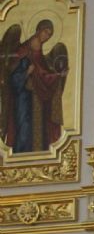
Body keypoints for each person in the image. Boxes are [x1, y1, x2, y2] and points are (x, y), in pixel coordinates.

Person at [1, 19, 68, 153]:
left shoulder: (38, 52)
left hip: (36, 99)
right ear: (38, 30)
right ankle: (20, 157)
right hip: (22, 98)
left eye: (49, 34)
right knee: (24, 128)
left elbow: (42, 73)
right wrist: (26, 73)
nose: (47, 36)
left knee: (38, 129)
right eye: (45, 32)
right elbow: (13, 79)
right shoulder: (22, 51)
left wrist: (57, 75)